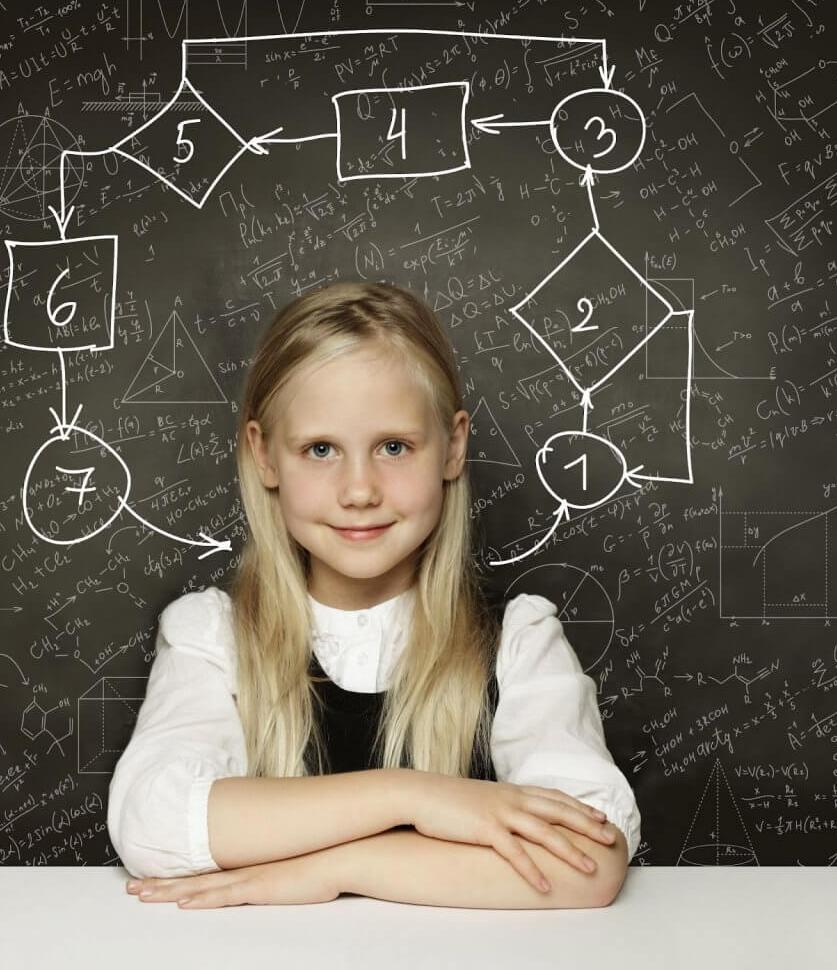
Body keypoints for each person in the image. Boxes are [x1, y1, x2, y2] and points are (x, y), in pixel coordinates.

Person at [108, 281, 641, 910]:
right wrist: (413, 797)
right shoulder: (212, 635)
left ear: (453, 445)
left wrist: (335, 869)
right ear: (263, 455)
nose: (359, 490)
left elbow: (589, 864)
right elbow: (153, 824)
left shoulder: (517, 641)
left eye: (393, 447)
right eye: (320, 449)